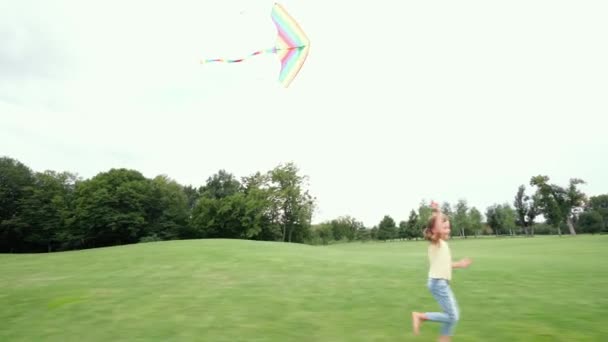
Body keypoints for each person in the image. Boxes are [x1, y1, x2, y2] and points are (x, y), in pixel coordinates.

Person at [411, 201, 472, 341]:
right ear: (434, 230)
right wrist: (437, 211)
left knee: (451, 316)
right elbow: (437, 230)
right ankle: (420, 316)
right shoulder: (436, 241)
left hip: (440, 283)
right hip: (438, 283)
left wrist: (460, 264)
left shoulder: (442, 244)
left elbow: (446, 264)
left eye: (448, 227)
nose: (448, 230)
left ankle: (443, 339)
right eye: (445, 227)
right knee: (453, 316)